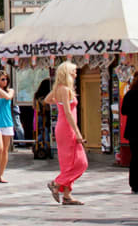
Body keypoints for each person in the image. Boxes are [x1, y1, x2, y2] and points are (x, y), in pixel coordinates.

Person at [46, 61, 88, 205]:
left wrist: (57, 102)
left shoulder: (59, 88)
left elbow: (47, 99)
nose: (76, 74)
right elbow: (68, 113)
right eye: (74, 71)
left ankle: (67, 195)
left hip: (62, 127)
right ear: (67, 73)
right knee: (81, 163)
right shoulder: (65, 89)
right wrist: (78, 133)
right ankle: (57, 183)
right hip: (67, 128)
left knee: (69, 162)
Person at [120, 72, 138, 194]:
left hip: (133, 131)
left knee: (135, 158)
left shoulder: (129, 94)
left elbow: (124, 111)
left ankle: (134, 184)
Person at [33, 78, 52, 159]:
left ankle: (38, 143)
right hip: (43, 116)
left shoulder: (36, 95)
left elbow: (34, 106)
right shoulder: (44, 97)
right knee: (45, 131)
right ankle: (45, 146)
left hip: (37, 116)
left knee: (41, 131)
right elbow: (46, 107)